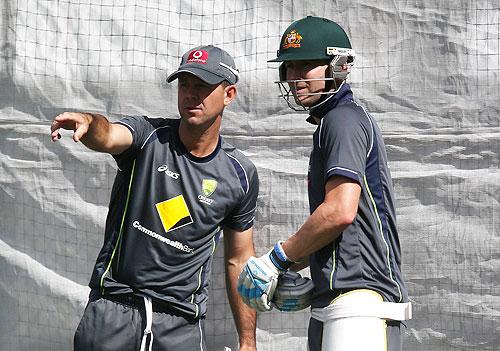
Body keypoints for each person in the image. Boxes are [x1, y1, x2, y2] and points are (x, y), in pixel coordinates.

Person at [51, 45, 258, 351]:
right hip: (114, 310)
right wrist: (89, 122)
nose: (190, 94)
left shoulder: (240, 175)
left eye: (201, 86)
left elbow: (239, 259)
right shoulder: (148, 135)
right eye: (185, 84)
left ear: (229, 95)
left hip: (179, 325)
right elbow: (108, 135)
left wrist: (248, 342)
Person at [237, 16, 411, 351]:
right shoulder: (334, 121)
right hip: (343, 303)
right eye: (289, 67)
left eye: (306, 66)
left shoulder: (341, 120)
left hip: (360, 303)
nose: (295, 78)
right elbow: (341, 228)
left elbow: (340, 212)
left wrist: (277, 259)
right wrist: (290, 268)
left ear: (339, 66)